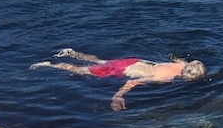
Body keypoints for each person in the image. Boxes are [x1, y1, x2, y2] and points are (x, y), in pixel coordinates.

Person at [30, 48, 207, 111]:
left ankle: (73, 53)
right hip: (125, 70)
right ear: (186, 77)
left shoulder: (182, 64)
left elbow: (175, 57)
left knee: (101, 61)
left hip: (134, 61)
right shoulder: (164, 77)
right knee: (82, 71)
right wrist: (118, 95)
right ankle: (50, 65)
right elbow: (132, 82)